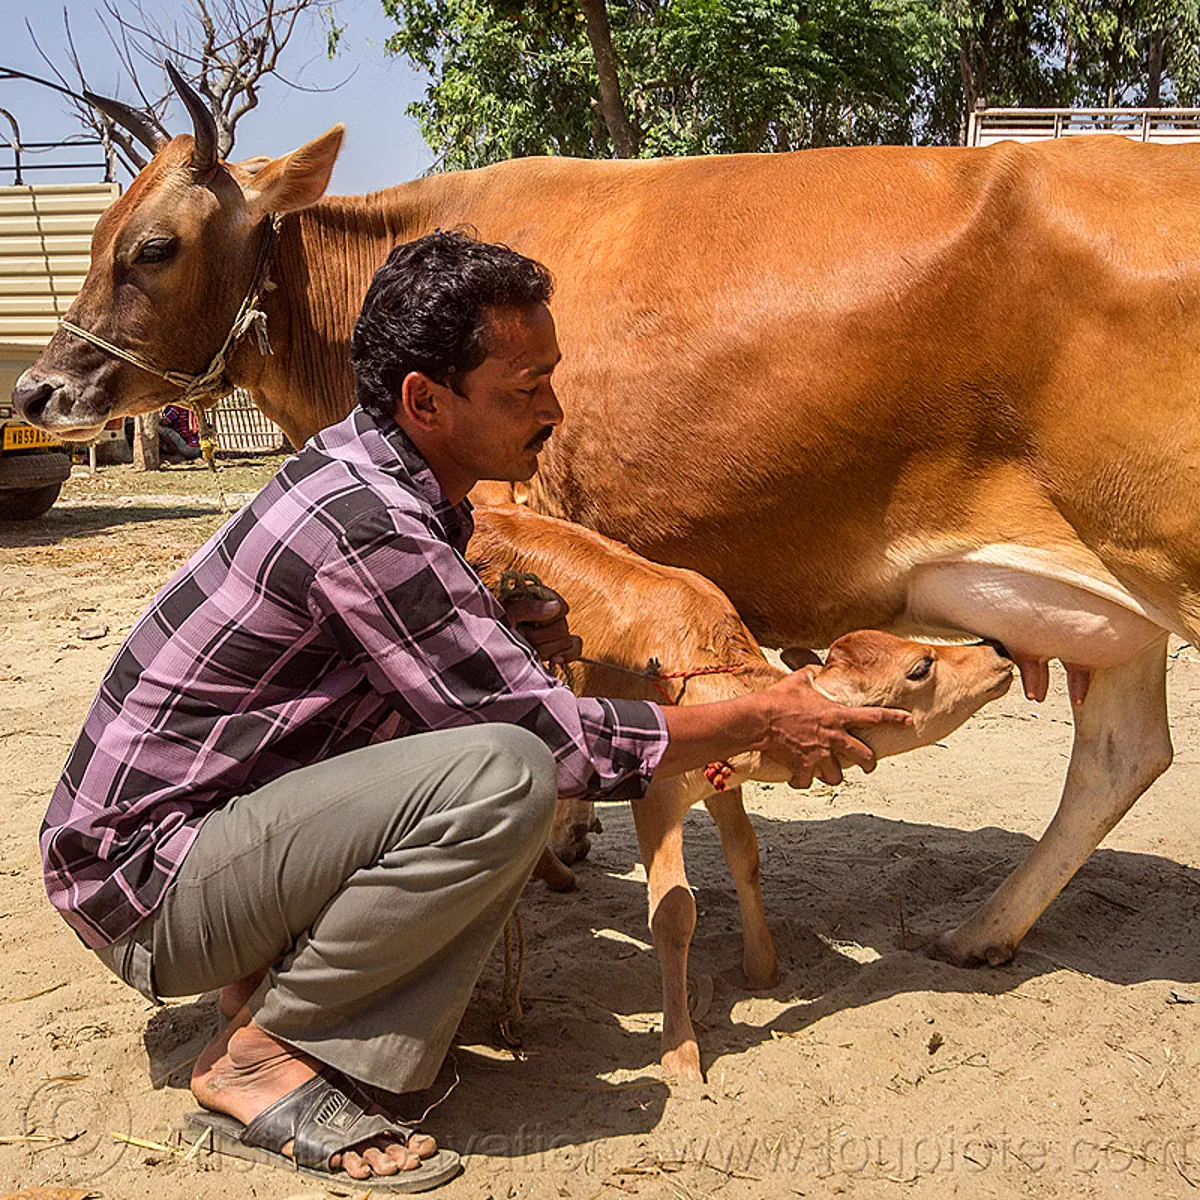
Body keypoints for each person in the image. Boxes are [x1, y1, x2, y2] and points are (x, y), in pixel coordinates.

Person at [40, 231, 909, 1190]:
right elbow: (549, 742)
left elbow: (365, 693)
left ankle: (273, 990)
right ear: (426, 400)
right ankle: (260, 1055)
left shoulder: (378, 479)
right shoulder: (367, 520)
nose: (555, 410)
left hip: (182, 850)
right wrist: (753, 720)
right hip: (147, 889)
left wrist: (497, 623)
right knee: (505, 775)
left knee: (476, 739)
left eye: (552, 378)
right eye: (523, 389)